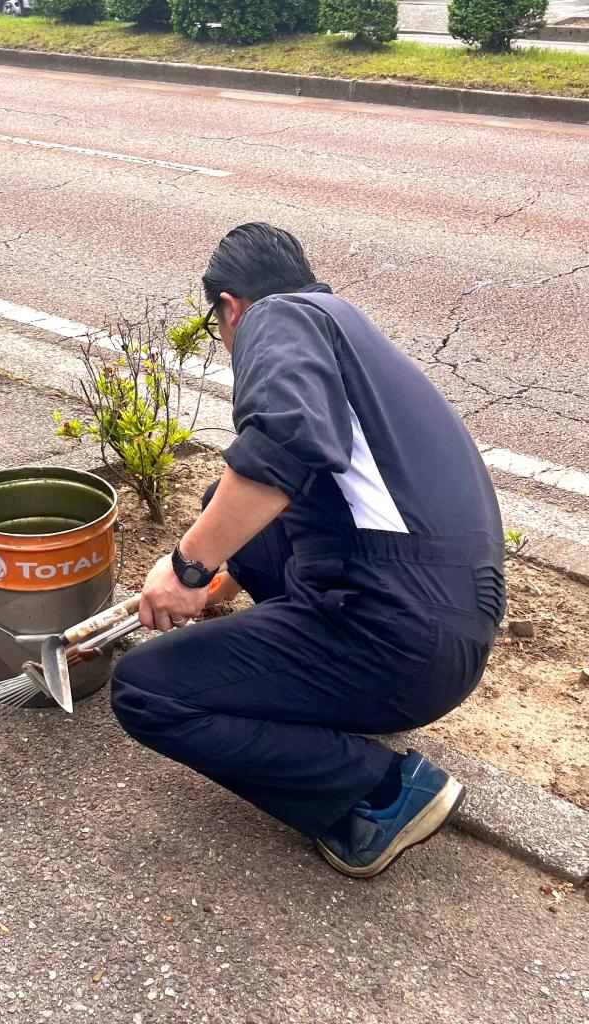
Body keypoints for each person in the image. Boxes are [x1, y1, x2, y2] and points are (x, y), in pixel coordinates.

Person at [111, 223, 506, 879]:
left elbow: (284, 441)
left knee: (147, 691)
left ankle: (380, 792)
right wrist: (213, 587)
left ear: (230, 307)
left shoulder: (278, 318)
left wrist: (186, 567)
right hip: (443, 617)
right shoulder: (343, 324)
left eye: (221, 327)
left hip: (398, 639)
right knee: (225, 496)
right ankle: (332, 697)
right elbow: (299, 484)